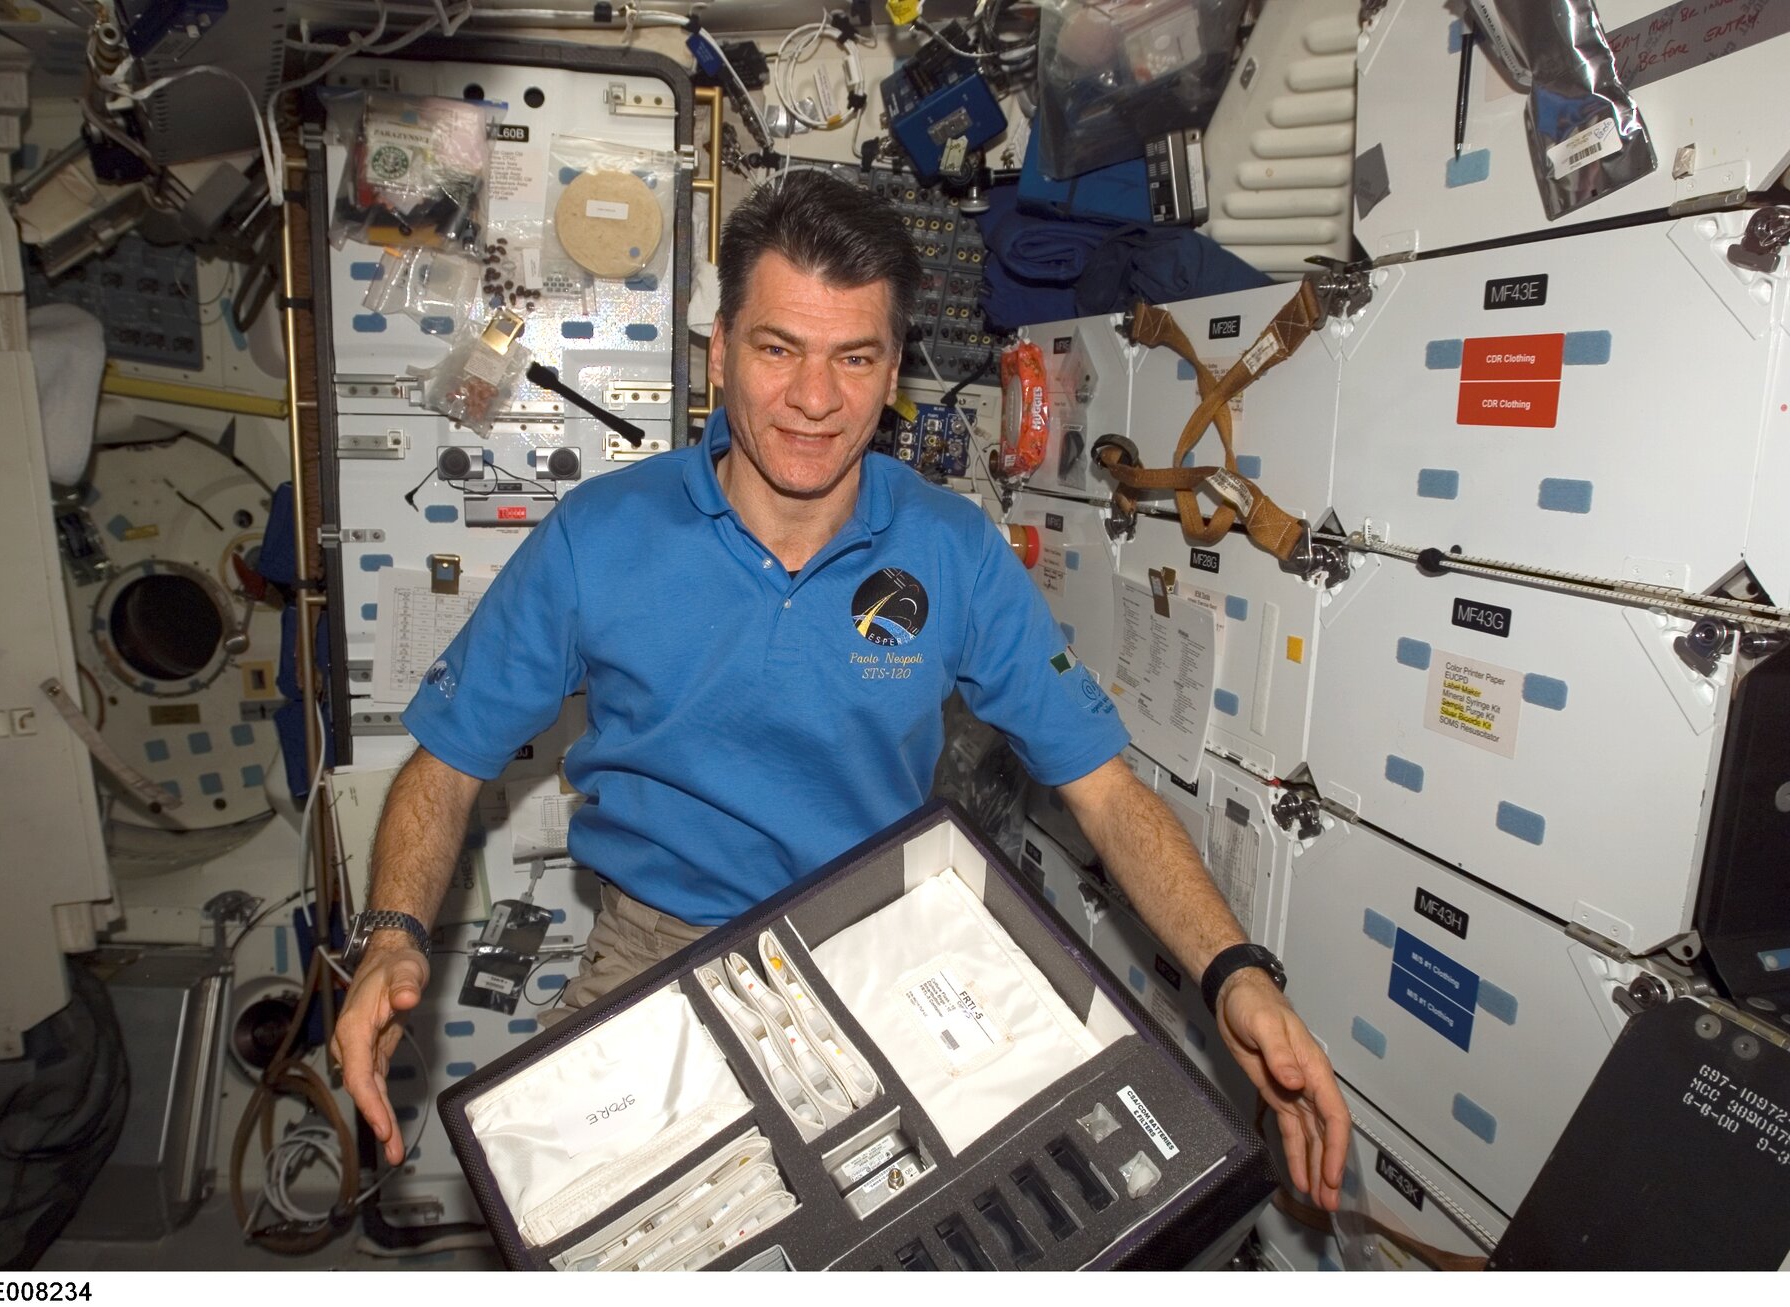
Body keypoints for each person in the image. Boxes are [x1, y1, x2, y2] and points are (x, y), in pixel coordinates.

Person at [332, 170, 1350, 1211]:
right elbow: (447, 764)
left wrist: (1237, 973)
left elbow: (1105, 790)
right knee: (577, 1218)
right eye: (778, 349)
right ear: (721, 351)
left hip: (879, 942)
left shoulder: (954, 551)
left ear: (893, 369)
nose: (815, 400)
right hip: (656, 942)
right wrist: (392, 937)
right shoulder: (601, 537)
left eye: (853, 358)